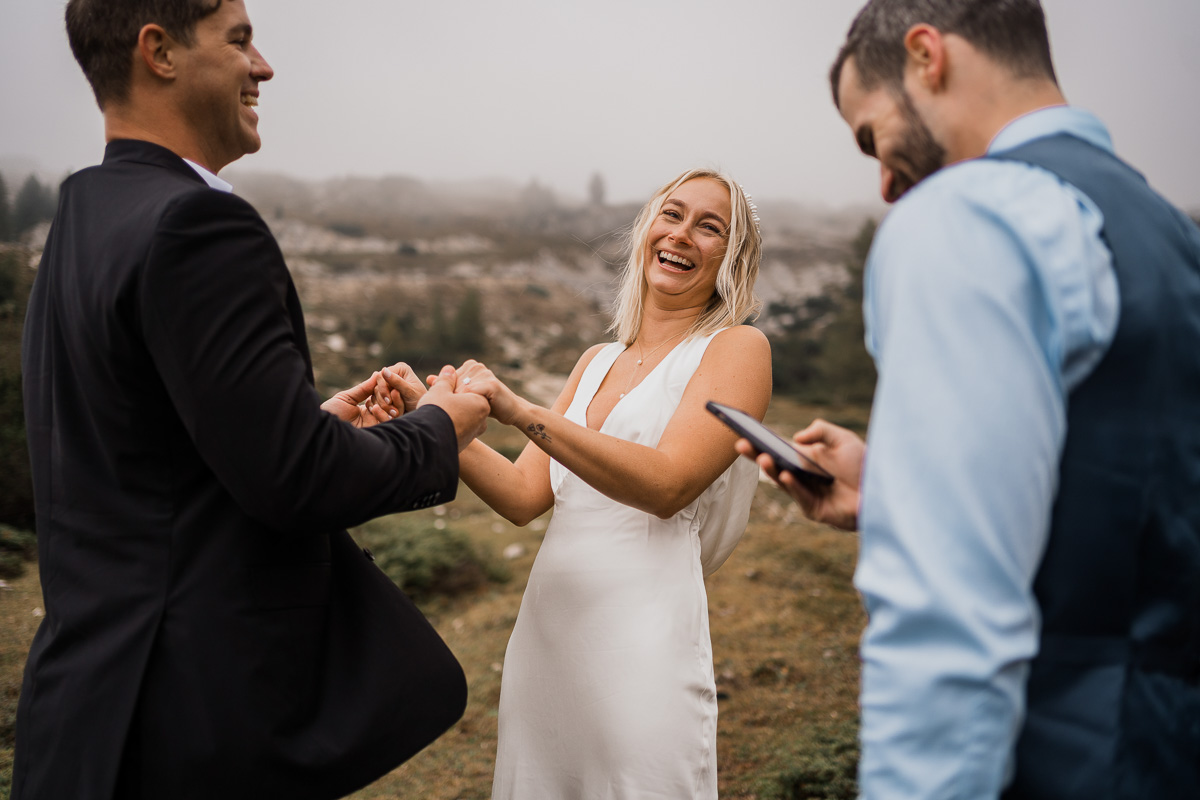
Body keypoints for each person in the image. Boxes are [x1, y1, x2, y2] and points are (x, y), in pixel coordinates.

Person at [14, 1, 491, 798]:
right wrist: (442, 426)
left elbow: (142, 453)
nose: (264, 66)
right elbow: (300, 482)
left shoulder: (85, 214)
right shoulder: (199, 224)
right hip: (191, 723)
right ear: (158, 51)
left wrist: (295, 425)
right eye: (239, 40)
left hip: (89, 708)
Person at [740, 1, 1200, 797]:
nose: (885, 183)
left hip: (1053, 756)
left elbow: (949, 618)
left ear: (928, 57)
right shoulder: (1167, 229)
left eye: (872, 136)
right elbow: (1137, 498)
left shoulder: (965, 217)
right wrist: (894, 489)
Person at [384, 168, 771, 797]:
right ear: (647, 228)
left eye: (710, 227)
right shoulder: (596, 361)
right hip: (548, 637)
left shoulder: (737, 349)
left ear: (732, 257)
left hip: (645, 641)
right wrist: (431, 416)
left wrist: (520, 410)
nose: (682, 235)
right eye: (672, 215)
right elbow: (522, 496)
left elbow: (668, 484)